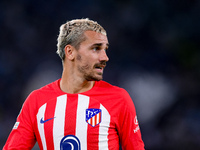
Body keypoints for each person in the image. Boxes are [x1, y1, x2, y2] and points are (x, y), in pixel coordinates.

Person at [3, 18, 145, 150]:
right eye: (95, 48)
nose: (105, 57)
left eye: (105, 49)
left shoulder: (118, 99)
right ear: (70, 52)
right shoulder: (36, 101)